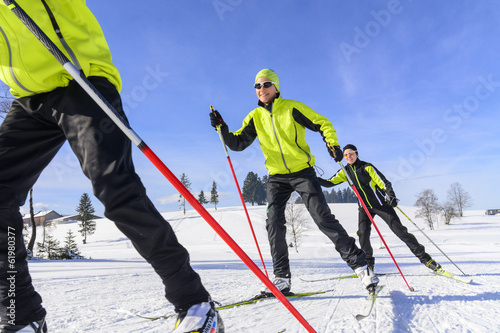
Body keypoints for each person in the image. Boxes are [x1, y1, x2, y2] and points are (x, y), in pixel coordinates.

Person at [0, 2, 222, 332]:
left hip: (78, 76)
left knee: (115, 188)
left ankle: (194, 302)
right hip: (29, 97)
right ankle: (22, 316)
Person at [209, 69, 378, 295]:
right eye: (257, 86)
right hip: (276, 177)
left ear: (276, 87)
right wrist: (222, 127)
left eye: (266, 84)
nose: (261, 89)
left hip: (302, 172)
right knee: (273, 223)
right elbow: (238, 144)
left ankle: (361, 267)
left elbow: (322, 123)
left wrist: (333, 144)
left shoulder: (292, 107)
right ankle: (281, 278)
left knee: (323, 218)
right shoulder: (254, 117)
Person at [319, 144, 441, 273]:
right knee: (363, 234)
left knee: (401, 232)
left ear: (357, 153)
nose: (349, 156)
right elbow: (329, 182)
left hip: (381, 205)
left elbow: (384, 183)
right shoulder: (345, 172)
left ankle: (426, 260)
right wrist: (312, 178)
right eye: (346, 155)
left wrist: (391, 195)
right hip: (364, 208)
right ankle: (368, 264)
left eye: (351, 153)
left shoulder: (367, 167)